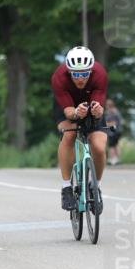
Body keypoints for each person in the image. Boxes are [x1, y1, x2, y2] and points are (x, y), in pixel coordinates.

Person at [52, 46, 108, 211]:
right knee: (69, 136)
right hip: (68, 107)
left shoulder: (100, 74)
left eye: (84, 74)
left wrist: (98, 111)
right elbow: (69, 111)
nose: (80, 79)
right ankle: (66, 188)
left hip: (91, 105)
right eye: (76, 74)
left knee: (98, 146)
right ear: (69, 72)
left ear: (91, 70)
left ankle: (94, 185)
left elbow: (99, 105)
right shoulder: (59, 77)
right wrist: (76, 113)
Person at [104, 99, 123, 166]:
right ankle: (118, 159)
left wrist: (105, 124)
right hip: (118, 131)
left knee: (111, 146)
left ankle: (113, 159)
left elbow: (113, 123)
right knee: (116, 144)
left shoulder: (111, 112)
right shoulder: (116, 111)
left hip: (113, 131)